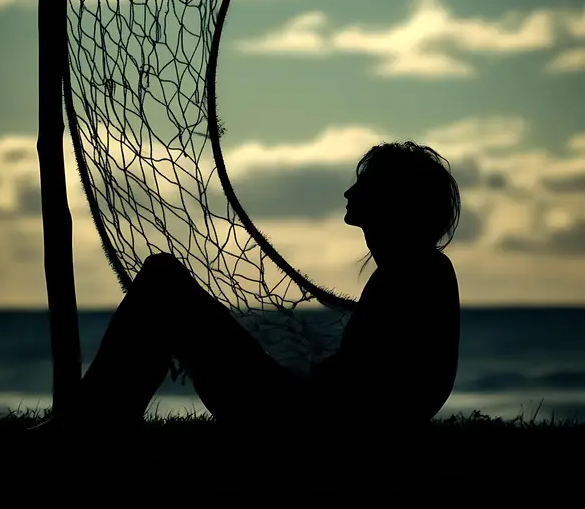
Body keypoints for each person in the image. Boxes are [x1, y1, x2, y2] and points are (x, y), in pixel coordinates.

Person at [32, 141, 461, 444]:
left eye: (364, 185)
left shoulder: (413, 273)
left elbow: (375, 393)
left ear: (392, 199)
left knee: (163, 279)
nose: (350, 192)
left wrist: (301, 386)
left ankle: (92, 425)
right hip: (308, 418)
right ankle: (99, 421)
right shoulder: (414, 270)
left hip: (299, 426)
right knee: (164, 283)